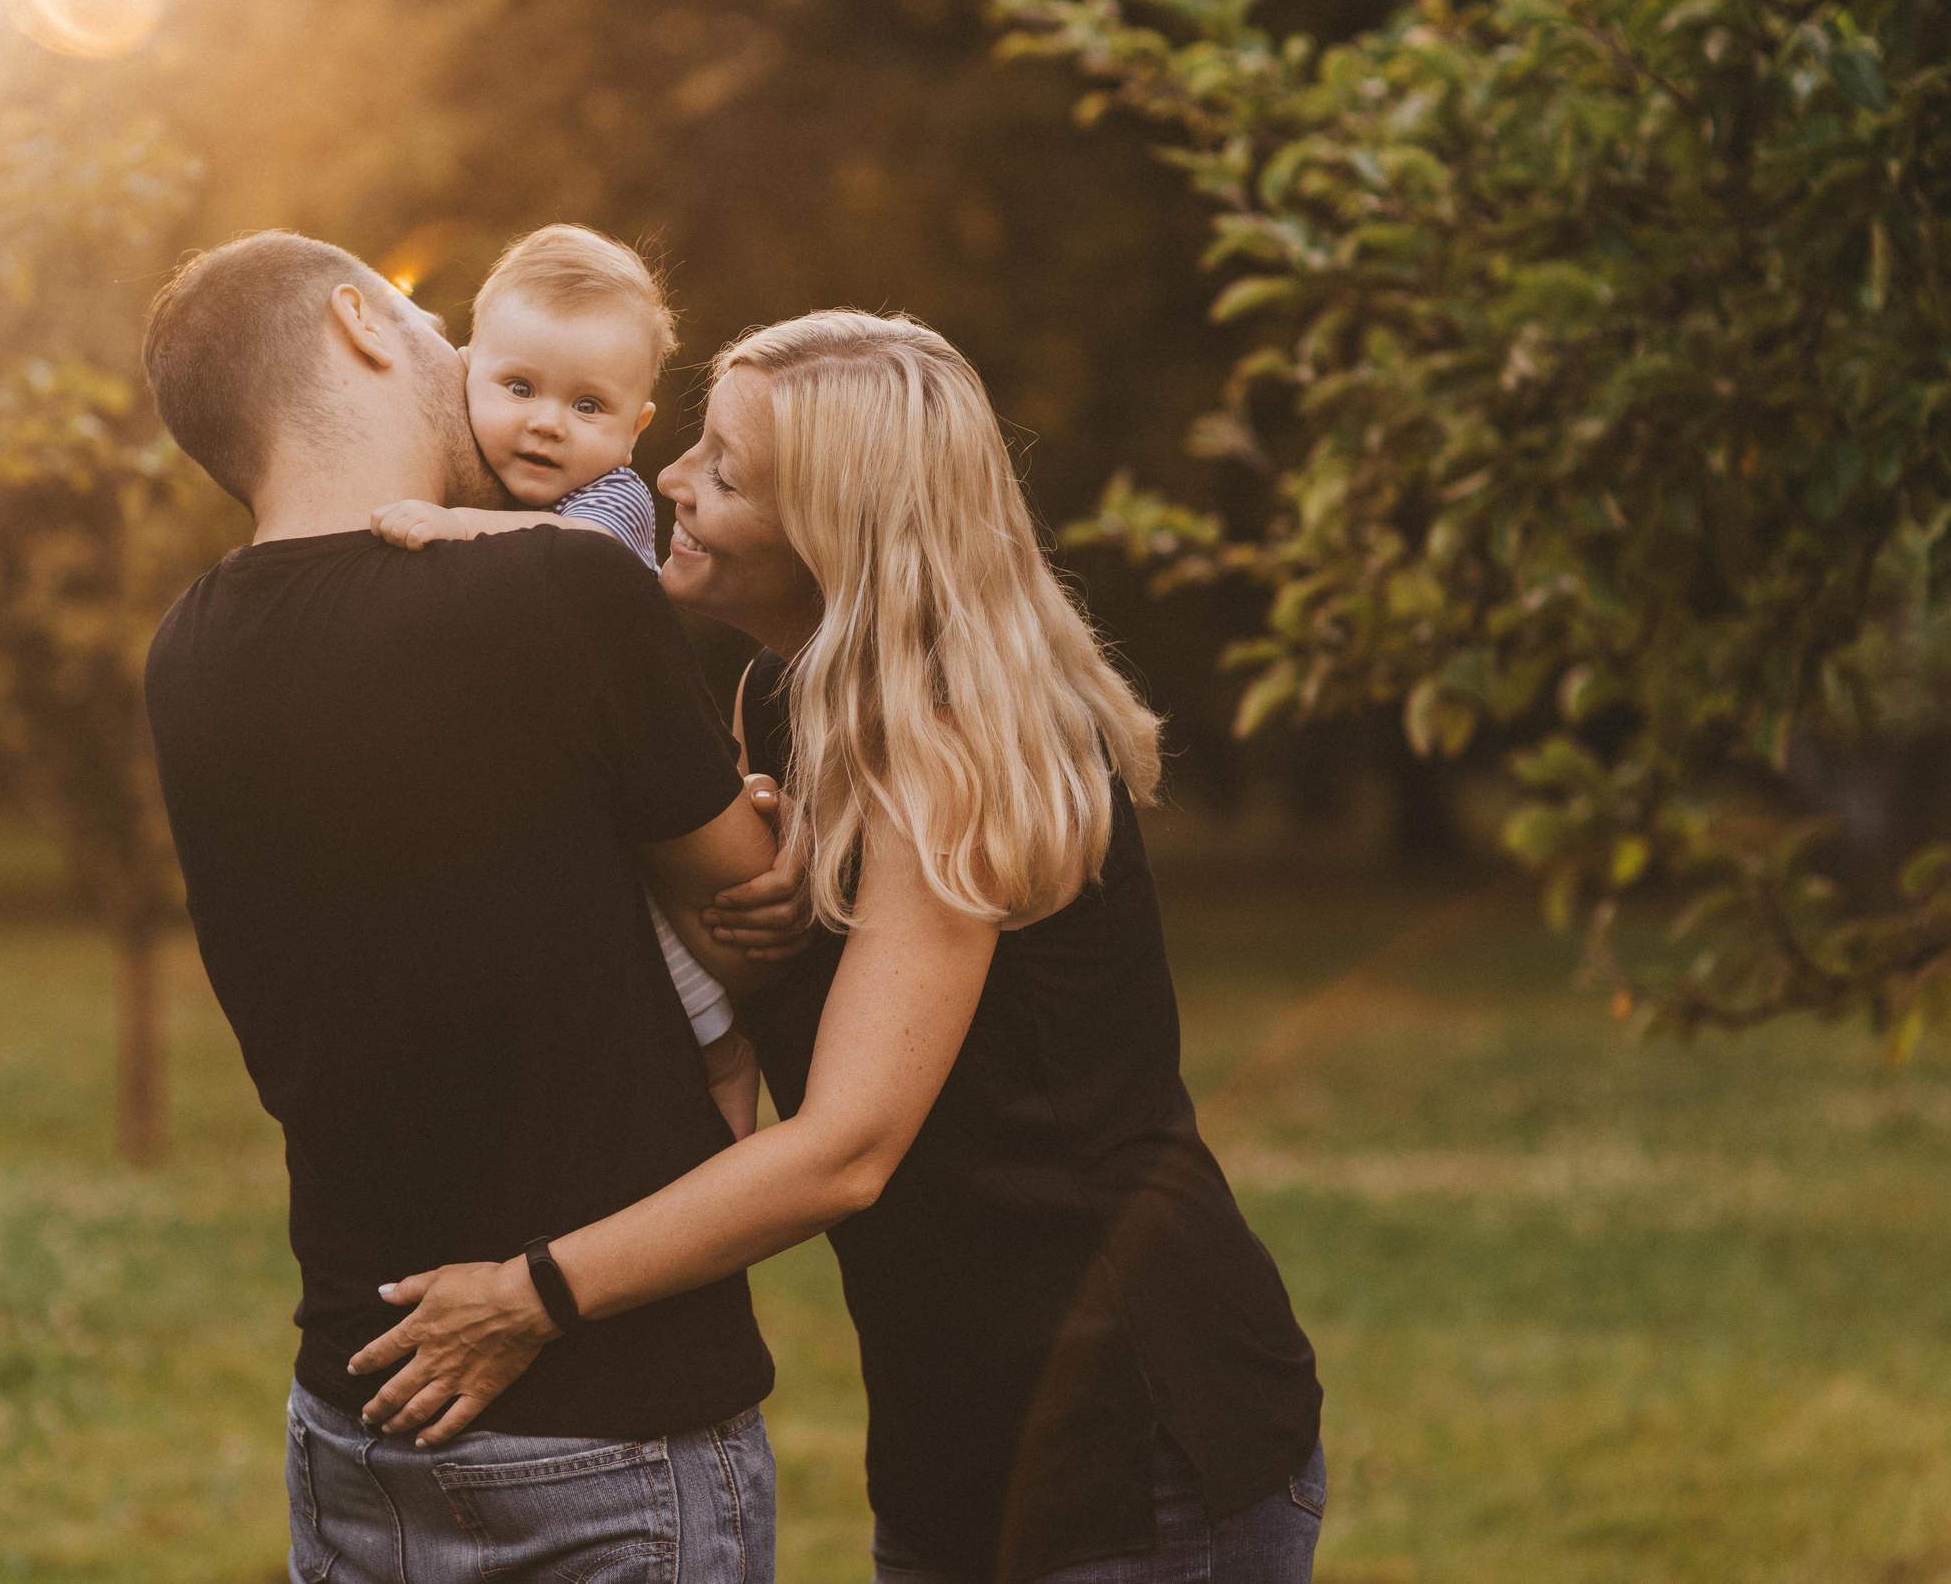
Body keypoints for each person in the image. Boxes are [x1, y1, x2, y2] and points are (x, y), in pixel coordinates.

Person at [356, 310, 1327, 1583]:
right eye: (694, 444)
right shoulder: (790, 698)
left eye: (727, 471)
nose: (669, 479)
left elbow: (847, 1151)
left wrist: (529, 1296)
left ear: (841, 534)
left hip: (1129, 1428)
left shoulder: (959, 743)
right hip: (953, 1424)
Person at [137, 229, 801, 1583]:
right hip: (606, 1419)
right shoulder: (559, 586)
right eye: (433, 320)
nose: (463, 357)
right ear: (363, 325)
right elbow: (756, 905)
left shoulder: (186, 649)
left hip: (355, 1409)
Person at [371, 223, 754, 1129]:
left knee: (674, 947)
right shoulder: (470, 482)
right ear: (463, 372)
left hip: (631, 771)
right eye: (518, 388)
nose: (547, 422)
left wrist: (457, 527)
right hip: (537, 775)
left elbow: (584, 561)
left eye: (589, 406)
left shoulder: (606, 499)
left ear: (635, 427)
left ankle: (731, 1073)